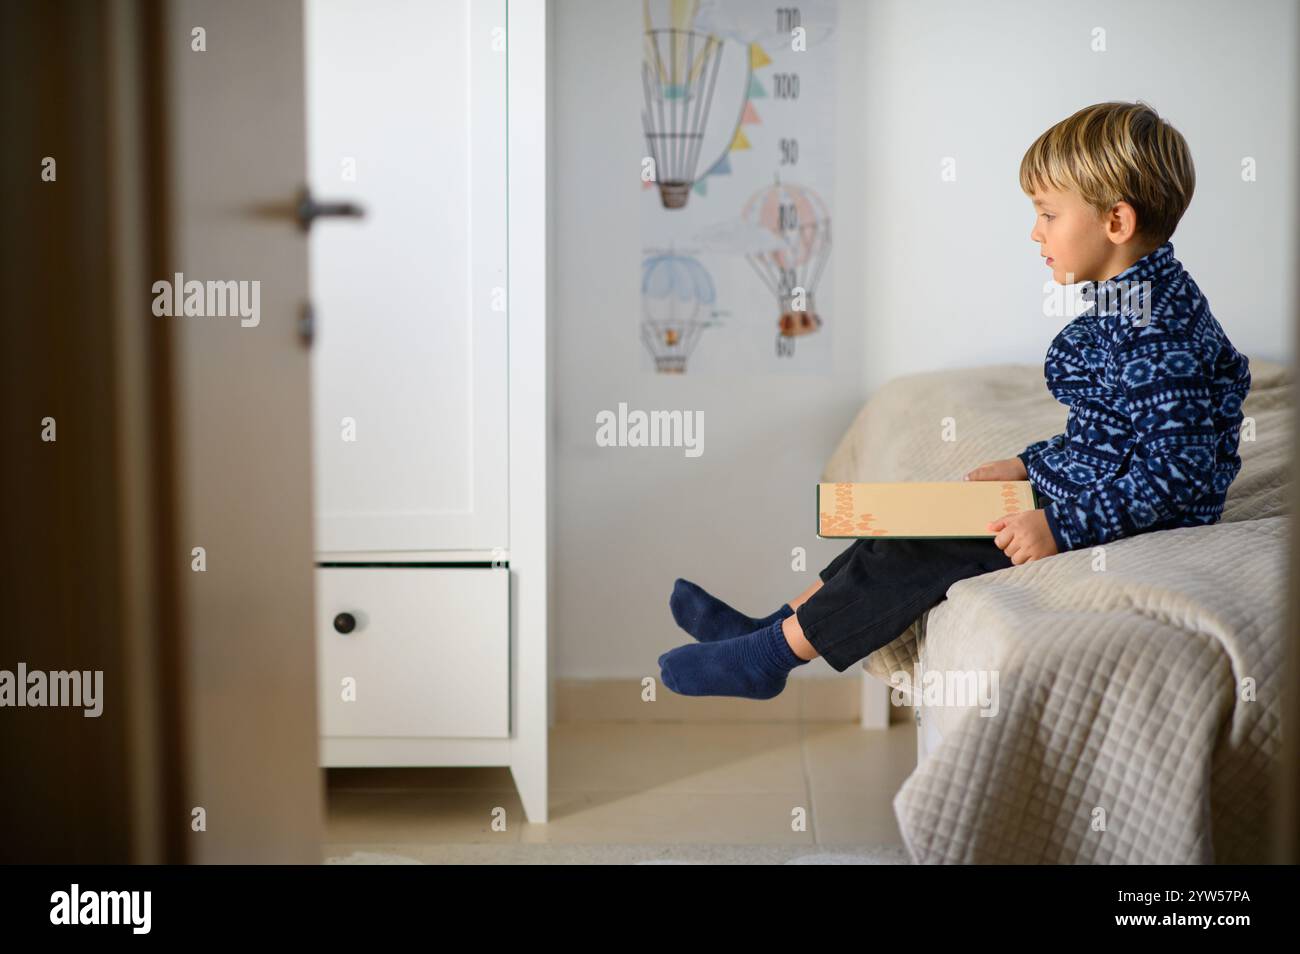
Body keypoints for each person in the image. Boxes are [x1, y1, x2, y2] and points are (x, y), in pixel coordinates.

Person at [658, 100, 1252, 699]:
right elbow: (1107, 433)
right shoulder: (1132, 299)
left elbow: (1178, 471)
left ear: (1116, 223)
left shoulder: (1160, 332)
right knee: (909, 519)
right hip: (1098, 490)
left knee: (919, 549)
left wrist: (1060, 525)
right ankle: (770, 627)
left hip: (1128, 518)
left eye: (1047, 214)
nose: (1035, 232)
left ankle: (767, 659)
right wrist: (1030, 464)